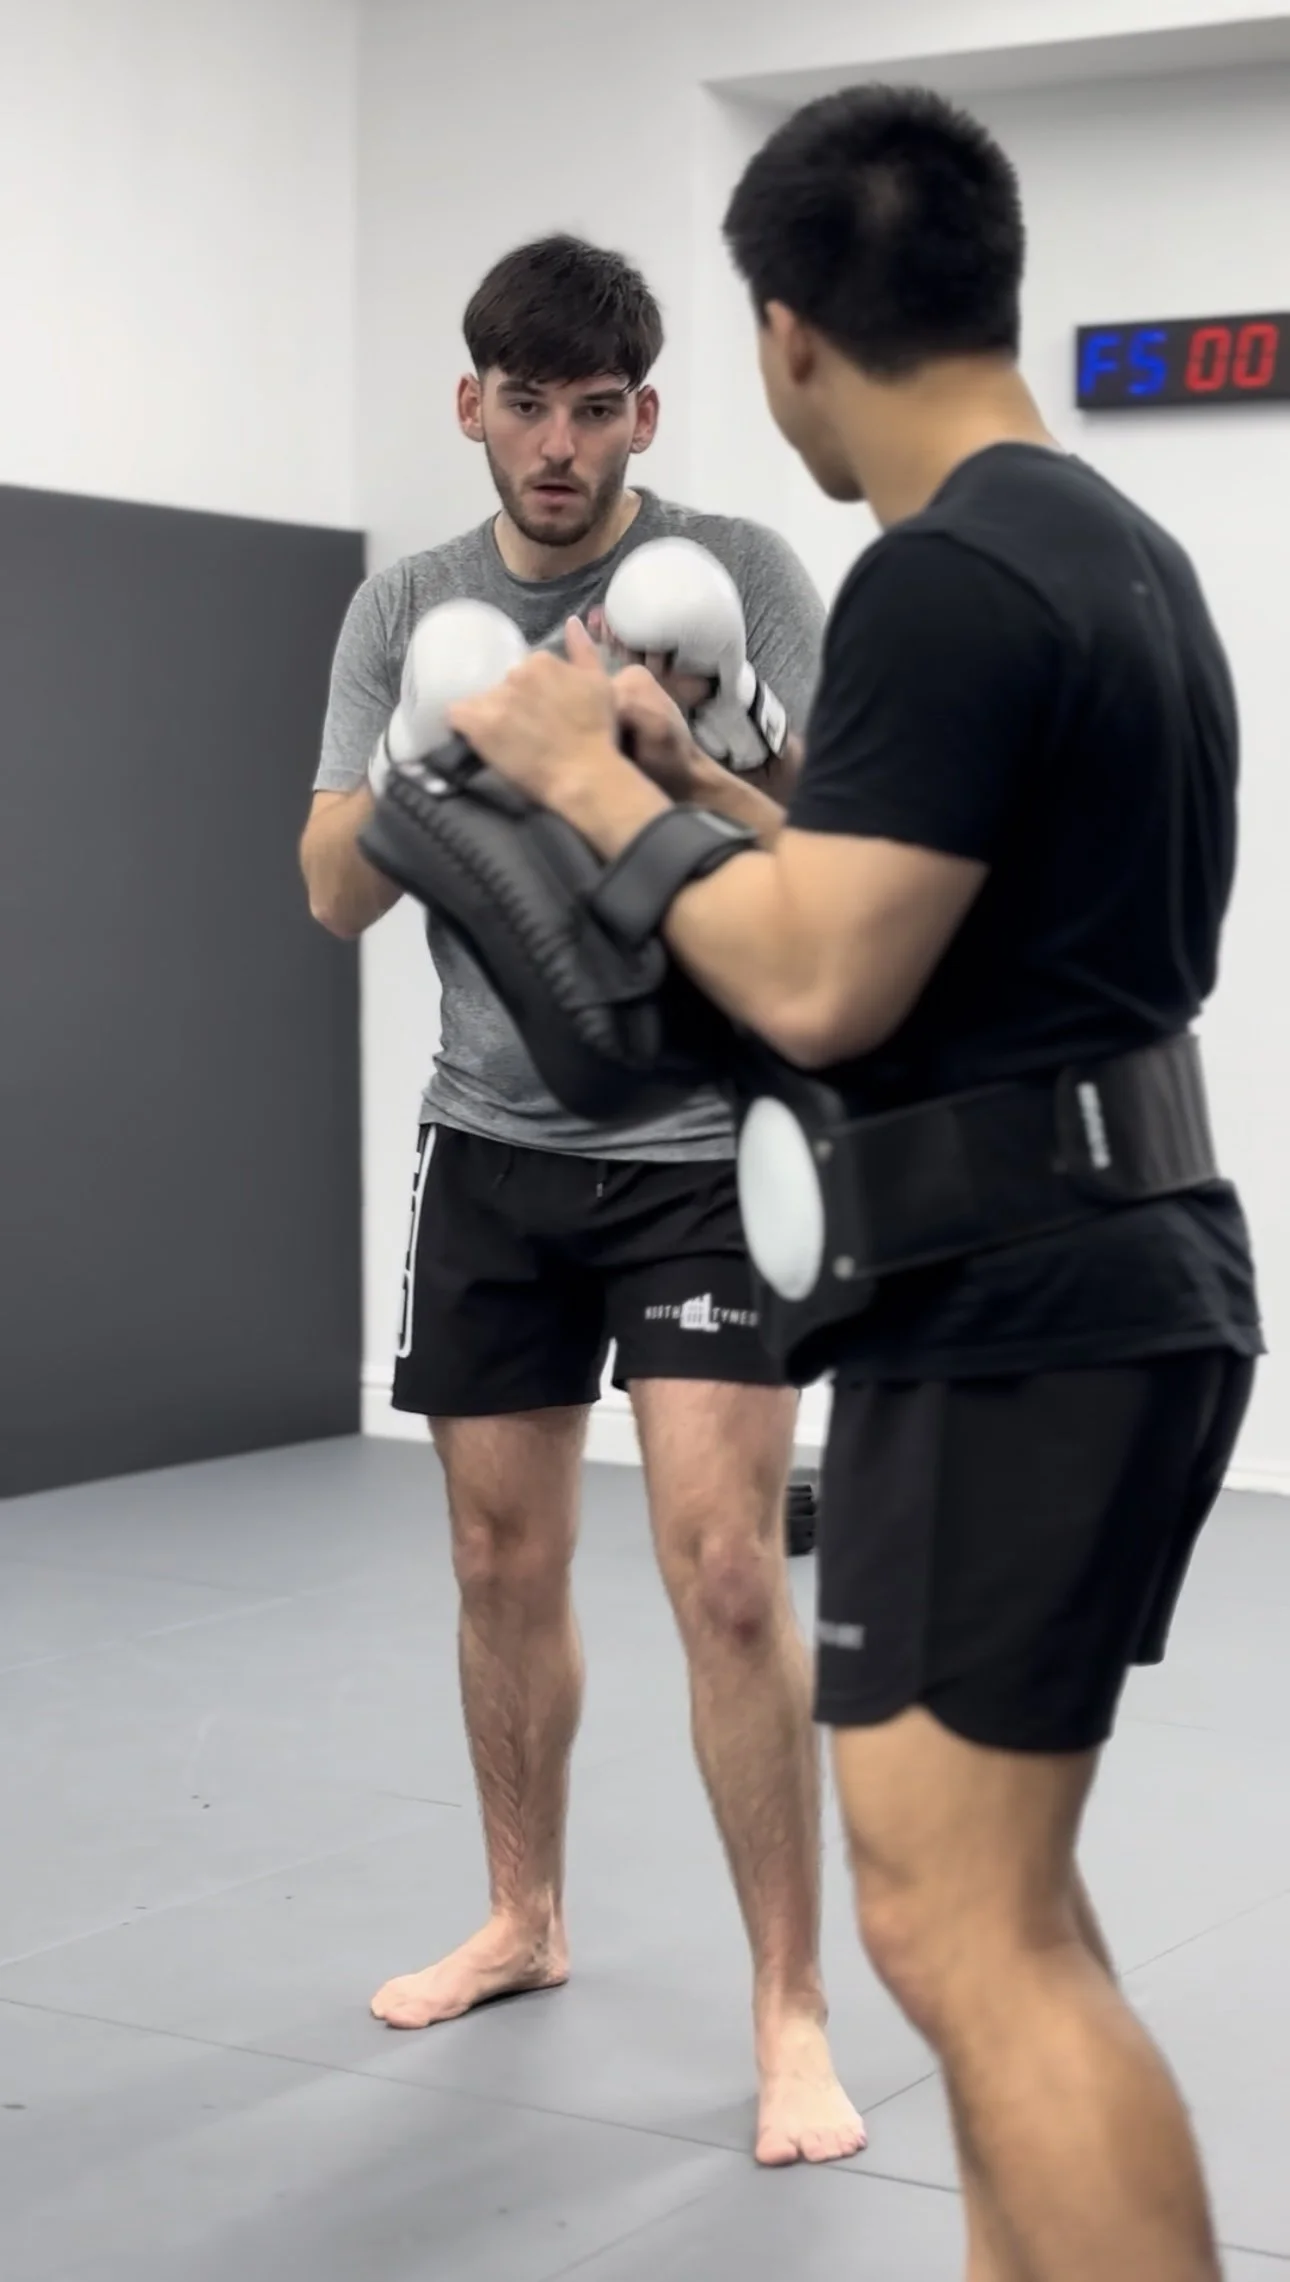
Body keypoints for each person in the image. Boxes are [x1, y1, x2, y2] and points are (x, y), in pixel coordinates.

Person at [444, 88, 1264, 2282]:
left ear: (788, 335)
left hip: (1026, 1308)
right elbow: (924, 900)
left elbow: (816, 980)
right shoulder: (1099, 545)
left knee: (960, 1932)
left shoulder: (939, 579)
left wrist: (571, 791)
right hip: (1101, 1270)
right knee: (1009, 1908)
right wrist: (703, 774)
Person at [299, 234, 866, 2167]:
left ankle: (788, 2011)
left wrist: (689, 760)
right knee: (493, 1567)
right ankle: (525, 1916)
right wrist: (414, 757)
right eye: (522, 405)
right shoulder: (408, 606)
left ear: (644, 411)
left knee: (721, 1570)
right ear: (472, 404)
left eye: (593, 408)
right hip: (491, 1146)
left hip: (703, 1145)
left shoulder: (739, 579)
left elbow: (848, 857)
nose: (556, 446)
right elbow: (327, 890)